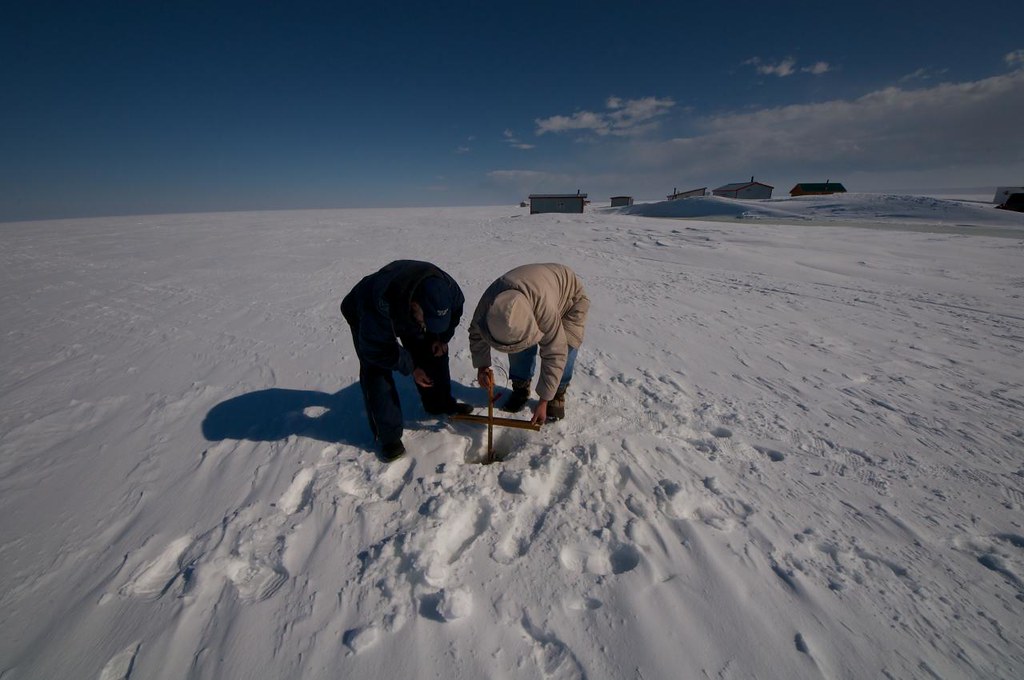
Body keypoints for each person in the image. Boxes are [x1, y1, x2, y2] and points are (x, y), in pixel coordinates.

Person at [341, 260, 472, 460]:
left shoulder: (449, 289)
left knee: (433, 350)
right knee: (376, 370)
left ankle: (439, 404)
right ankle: (389, 437)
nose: (426, 326)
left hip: (407, 306)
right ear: (415, 306)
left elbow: (453, 314)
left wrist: (440, 338)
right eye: (425, 321)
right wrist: (411, 367)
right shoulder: (379, 303)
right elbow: (378, 349)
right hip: (364, 309)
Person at [469, 263, 590, 425]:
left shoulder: (544, 309)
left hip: (570, 299)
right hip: (538, 287)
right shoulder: (489, 304)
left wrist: (544, 401)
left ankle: (556, 395)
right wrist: (482, 366)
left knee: (566, 347)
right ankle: (521, 387)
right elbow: (477, 333)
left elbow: (556, 352)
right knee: (518, 348)